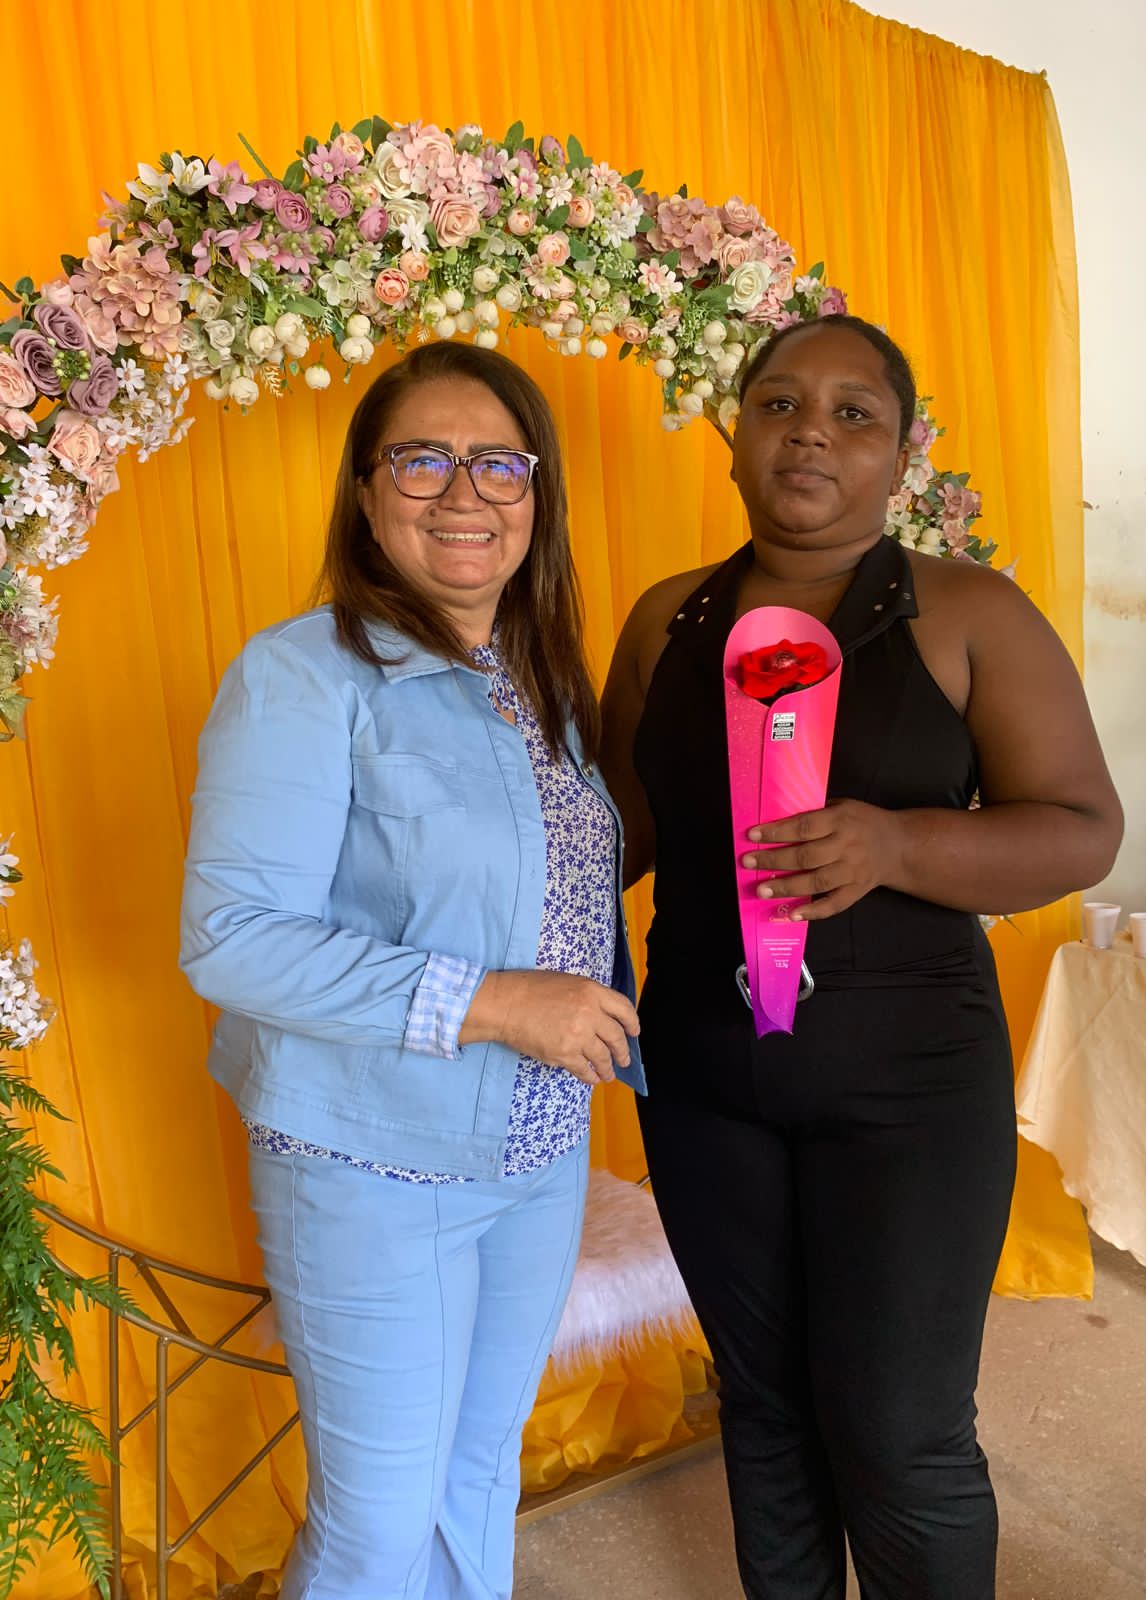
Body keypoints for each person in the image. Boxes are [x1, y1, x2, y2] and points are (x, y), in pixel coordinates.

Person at [600, 314, 1122, 1600]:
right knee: (764, 1405)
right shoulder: (666, 620)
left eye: (853, 414)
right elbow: (619, 832)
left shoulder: (970, 612)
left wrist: (897, 844)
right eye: (778, 405)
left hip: (912, 1085)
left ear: (901, 453)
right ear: (734, 437)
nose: (810, 434)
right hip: (706, 1078)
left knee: (899, 1431)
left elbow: (1081, 827)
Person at [180, 342, 644, 1600]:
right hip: (371, 1163)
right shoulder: (301, 673)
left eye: (499, 464)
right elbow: (231, 934)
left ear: (536, 493)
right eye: (423, 460)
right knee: (379, 1527)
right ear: (367, 489)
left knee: (477, 1476)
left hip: (538, 1151)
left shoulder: (537, 680)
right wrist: (493, 1000)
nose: (464, 493)